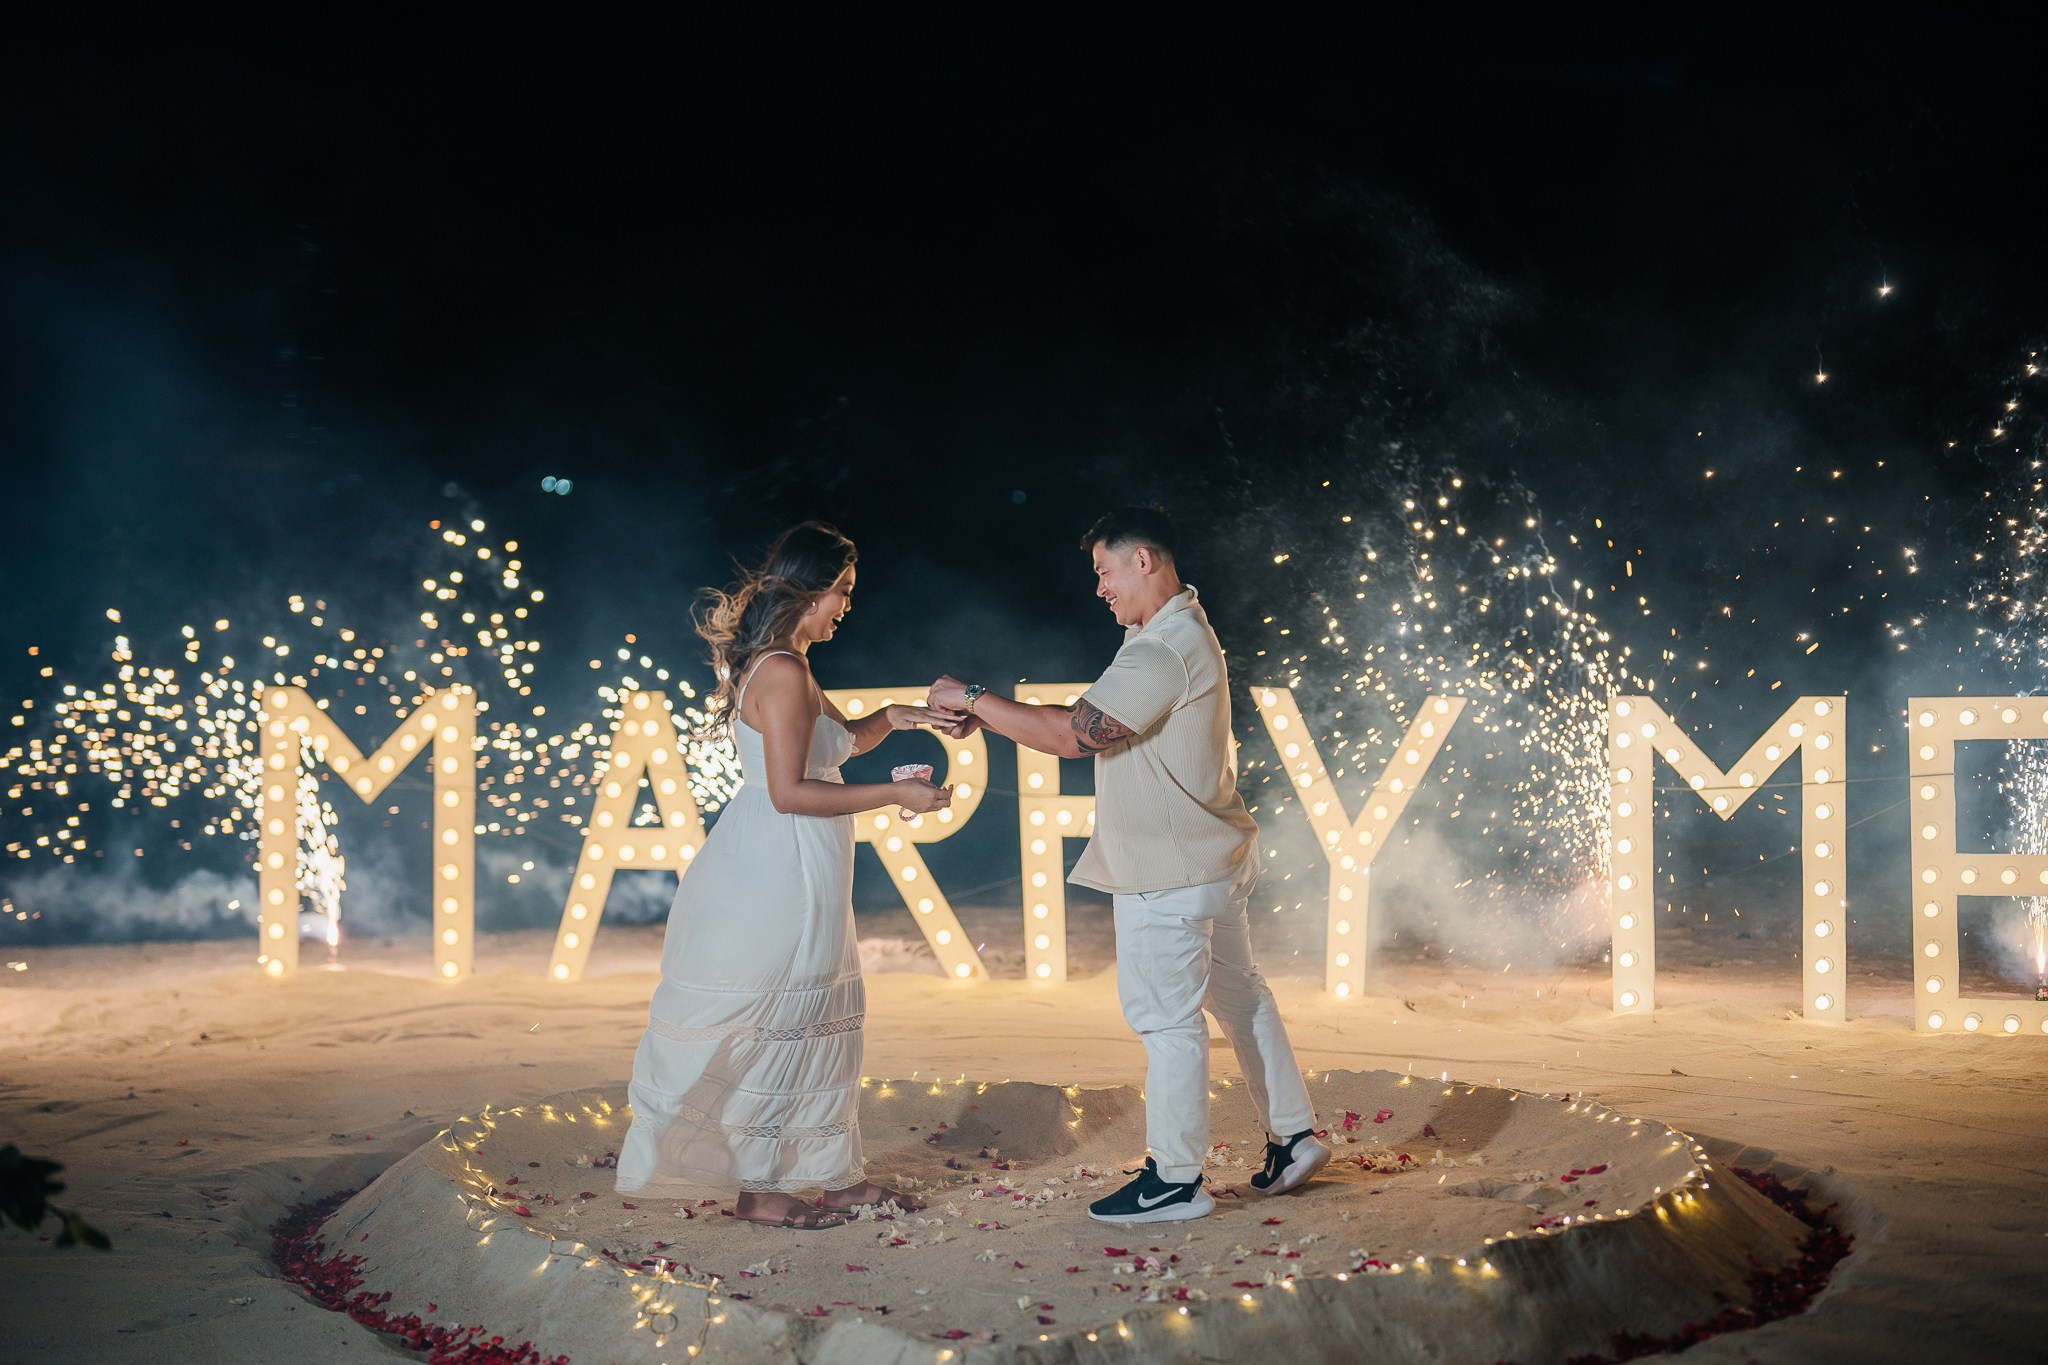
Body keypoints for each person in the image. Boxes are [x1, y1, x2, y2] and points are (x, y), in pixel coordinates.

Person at [930, 505, 1327, 1224]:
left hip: (1168, 872)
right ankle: (1294, 1136)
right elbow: (1091, 714)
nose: (1099, 588)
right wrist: (989, 713)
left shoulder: (1162, 647)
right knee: (1239, 994)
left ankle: (1175, 1180)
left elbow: (1075, 736)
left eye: (1104, 571)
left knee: (1167, 1021)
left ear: (1143, 561)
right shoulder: (1166, 632)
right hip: (1208, 858)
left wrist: (972, 698)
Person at [617, 521, 963, 1228]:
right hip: (781, 864)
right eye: (841, 592)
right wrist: (898, 795)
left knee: (817, 1019)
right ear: (808, 591)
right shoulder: (778, 670)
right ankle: (762, 1188)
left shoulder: (791, 663)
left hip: (805, 861)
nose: (846, 606)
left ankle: (834, 1176)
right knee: (787, 1016)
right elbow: (790, 791)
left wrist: (899, 718)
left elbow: (834, 747)